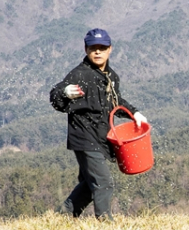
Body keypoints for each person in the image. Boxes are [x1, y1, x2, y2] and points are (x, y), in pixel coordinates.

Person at [49, 28, 147, 219]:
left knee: (89, 183)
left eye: (102, 48)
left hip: (101, 137)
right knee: (103, 182)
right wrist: (64, 93)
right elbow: (56, 97)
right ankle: (105, 221)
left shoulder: (111, 76)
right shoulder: (79, 75)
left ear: (110, 49)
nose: (98, 52)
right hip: (84, 138)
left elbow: (115, 101)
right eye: (93, 48)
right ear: (86, 50)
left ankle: (63, 216)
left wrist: (134, 113)